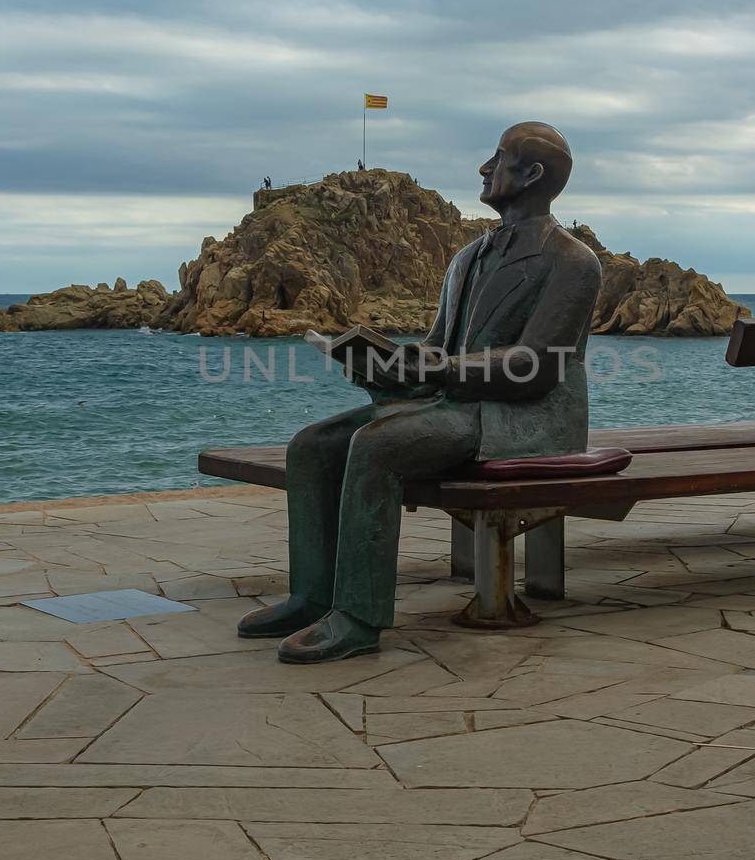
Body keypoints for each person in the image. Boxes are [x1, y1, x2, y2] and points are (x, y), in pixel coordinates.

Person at [237, 122, 602, 662]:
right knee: (311, 446)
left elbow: (537, 366)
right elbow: (436, 345)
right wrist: (387, 366)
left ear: (532, 174)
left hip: (522, 416)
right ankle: (310, 596)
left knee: (378, 444)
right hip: (456, 402)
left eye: (496, 158)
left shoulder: (572, 261)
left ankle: (357, 618)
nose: (484, 169)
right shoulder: (465, 259)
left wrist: (437, 371)